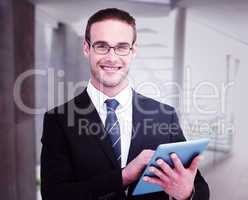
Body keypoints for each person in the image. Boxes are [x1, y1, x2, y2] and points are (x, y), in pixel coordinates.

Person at [40, 8, 209, 200]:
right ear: (87, 48)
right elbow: (53, 195)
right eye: (102, 46)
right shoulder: (58, 120)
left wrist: (187, 193)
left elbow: (199, 187)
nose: (112, 58)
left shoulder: (164, 115)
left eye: (121, 47)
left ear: (133, 50)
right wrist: (124, 176)